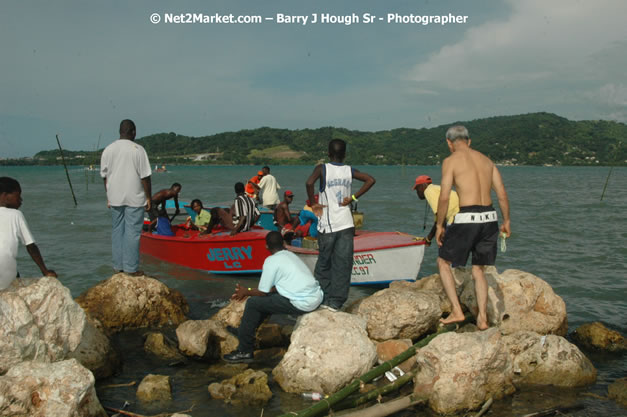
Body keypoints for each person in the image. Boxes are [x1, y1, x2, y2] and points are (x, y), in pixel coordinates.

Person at [435, 125, 511, 330]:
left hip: (467, 216)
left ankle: (457, 311)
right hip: (489, 217)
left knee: (443, 262)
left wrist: (440, 225)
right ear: (469, 141)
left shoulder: (450, 161)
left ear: (449, 143)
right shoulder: (487, 161)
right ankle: (483, 319)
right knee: (479, 269)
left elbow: (443, 197)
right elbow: (502, 193)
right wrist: (507, 221)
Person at [223, 231, 323, 363]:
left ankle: (244, 351)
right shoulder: (291, 255)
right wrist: (251, 291)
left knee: (253, 303)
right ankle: (244, 333)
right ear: (283, 243)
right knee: (265, 302)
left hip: (302, 302)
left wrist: (245, 291)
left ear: (266, 247)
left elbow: (263, 292)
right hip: (315, 296)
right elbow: (275, 288)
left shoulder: (271, 261)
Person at [305, 139, 375, 310]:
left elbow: (309, 183)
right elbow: (370, 180)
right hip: (346, 223)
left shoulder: (322, 169)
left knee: (324, 264)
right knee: (343, 264)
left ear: (329, 154)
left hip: (328, 225)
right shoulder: (348, 170)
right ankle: (336, 303)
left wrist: (314, 205)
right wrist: (352, 198)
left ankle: (322, 300)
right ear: (344, 154)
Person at [100, 119, 152, 276]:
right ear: (134, 132)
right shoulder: (138, 150)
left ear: (120, 131)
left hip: (114, 197)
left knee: (117, 231)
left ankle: (118, 267)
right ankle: (130, 268)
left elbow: (104, 176)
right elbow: (145, 177)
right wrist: (148, 197)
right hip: (134, 197)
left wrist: (108, 195)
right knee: (132, 233)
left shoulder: (108, 149)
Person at [0, 177, 57, 290]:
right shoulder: (16, 214)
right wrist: (45, 271)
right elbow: (31, 246)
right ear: (5, 196)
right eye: (18, 196)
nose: (20, 200)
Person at [412, 175, 460, 246]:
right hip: (465, 216)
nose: (417, 192)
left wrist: (430, 238)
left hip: (456, 219)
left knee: (446, 250)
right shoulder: (437, 189)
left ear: (422, 186)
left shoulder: (428, 191)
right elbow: (438, 220)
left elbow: (440, 217)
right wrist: (428, 239)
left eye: (417, 189)